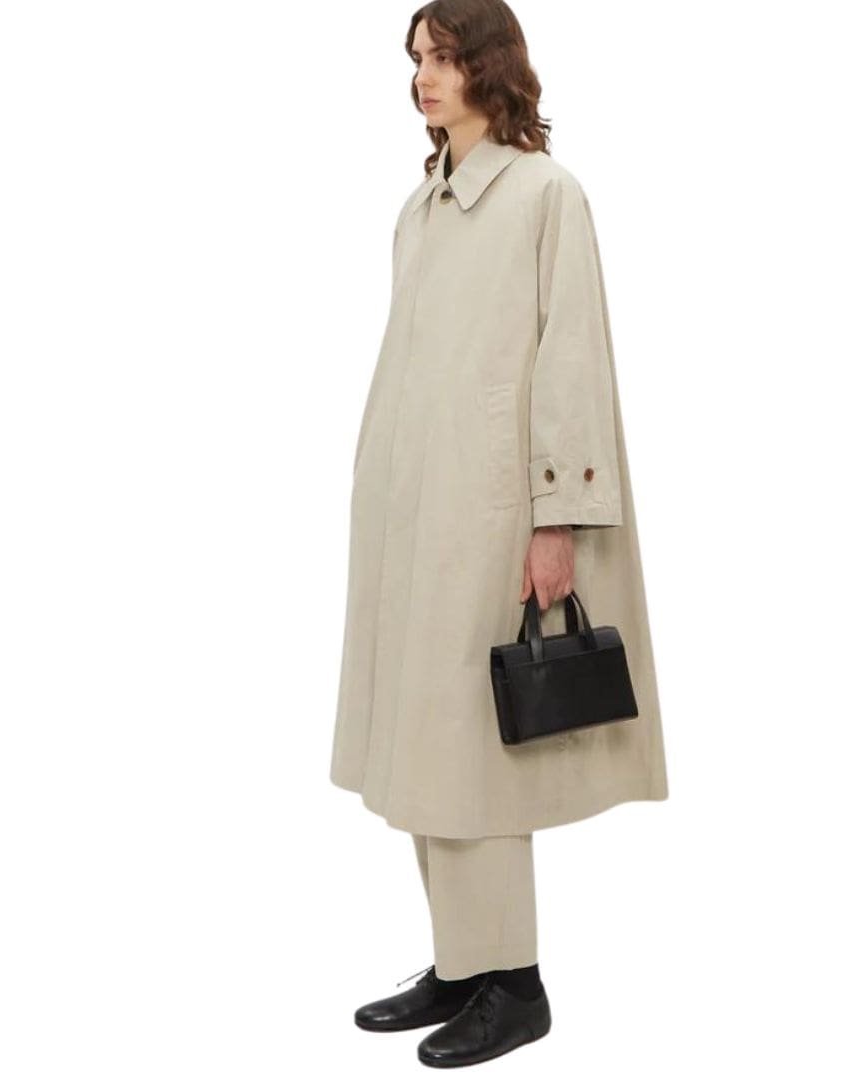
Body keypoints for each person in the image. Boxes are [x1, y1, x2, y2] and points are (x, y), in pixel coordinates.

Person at [330, 0, 669, 1067]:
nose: (424, 77)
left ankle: (514, 985)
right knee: (421, 742)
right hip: (412, 512)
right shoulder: (420, 207)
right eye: (415, 59)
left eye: (443, 56)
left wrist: (556, 518)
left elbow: (571, 361)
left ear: (490, 64)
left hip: (492, 517)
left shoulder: (543, 195)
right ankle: (463, 961)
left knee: (474, 750)